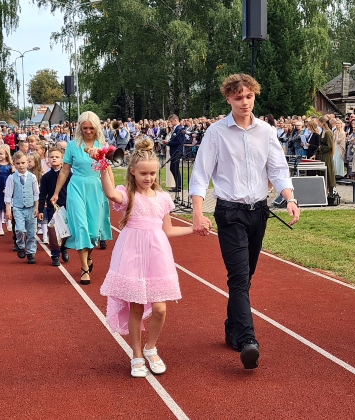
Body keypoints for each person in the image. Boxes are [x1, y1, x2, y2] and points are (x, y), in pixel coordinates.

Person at [189, 73, 299, 370]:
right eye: (238, 97)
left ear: (255, 96)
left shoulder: (266, 131)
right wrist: (198, 212)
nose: (244, 102)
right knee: (238, 278)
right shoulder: (216, 132)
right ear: (228, 98)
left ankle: (231, 327)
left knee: (245, 277)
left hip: (258, 212)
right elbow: (200, 174)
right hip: (229, 213)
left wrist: (289, 197)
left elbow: (277, 169)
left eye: (248, 96)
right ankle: (249, 340)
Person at [94, 138, 192, 378]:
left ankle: (151, 348)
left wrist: (194, 229)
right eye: (143, 173)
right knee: (136, 306)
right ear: (133, 172)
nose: (148, 178)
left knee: (160, 308)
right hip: (132, 253)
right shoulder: (126, 194)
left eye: (152, 173)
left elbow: (168, 230)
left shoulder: (162, 198)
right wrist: (103, 163)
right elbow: (109, 192)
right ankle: (136, 354)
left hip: (157, 254)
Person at [50, 111, 113, 285]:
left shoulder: (102, 145)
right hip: (76, 187)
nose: (87, 131)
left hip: (95, 188)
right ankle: (84, 267)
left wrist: (113, 193)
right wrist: (56, 193)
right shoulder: (72, 145)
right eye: (84, 128)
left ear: (96, 127)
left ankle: (89, 257)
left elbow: (107, 170)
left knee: (93, 231)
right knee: (80, 227)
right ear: (79, 127)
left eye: (91, 128)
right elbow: (64, 170)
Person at [5, 151, 40, 264]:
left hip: (30, 207)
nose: (21, 165)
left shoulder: (32, 177)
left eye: (23, 163)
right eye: (18, 163)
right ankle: (20, 244)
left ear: (27, 163)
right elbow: (8, 194)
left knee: (31, 232)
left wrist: (36, 207)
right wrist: (8, 209)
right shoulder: (11, 177)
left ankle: (30, 253)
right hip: (18, 207)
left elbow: (36, 193)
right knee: (19, 229)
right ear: (14, 164)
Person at [39, 146, 70, 266]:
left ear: (62, 159)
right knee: (52, 232)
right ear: (48, 159)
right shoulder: (46, 177)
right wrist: (41, 209)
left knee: (66, 231)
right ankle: (55, 255)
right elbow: (42, 194)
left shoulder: (69, 174)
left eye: (57, 157)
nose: (54, 159)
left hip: (67, 206)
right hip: (52, 208)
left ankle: (64, 248)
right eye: (52, 157)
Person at [163, 115, 184, 192]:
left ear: (175, 120)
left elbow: (179, 142)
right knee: (173, 168)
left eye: (171, 121)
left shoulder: (179, 129)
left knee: (174, 168)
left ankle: (178, 186)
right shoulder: (175, 129)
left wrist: (169, 142)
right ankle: (177, 185)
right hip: (174, 151)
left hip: (177, 151)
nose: (170, 123)